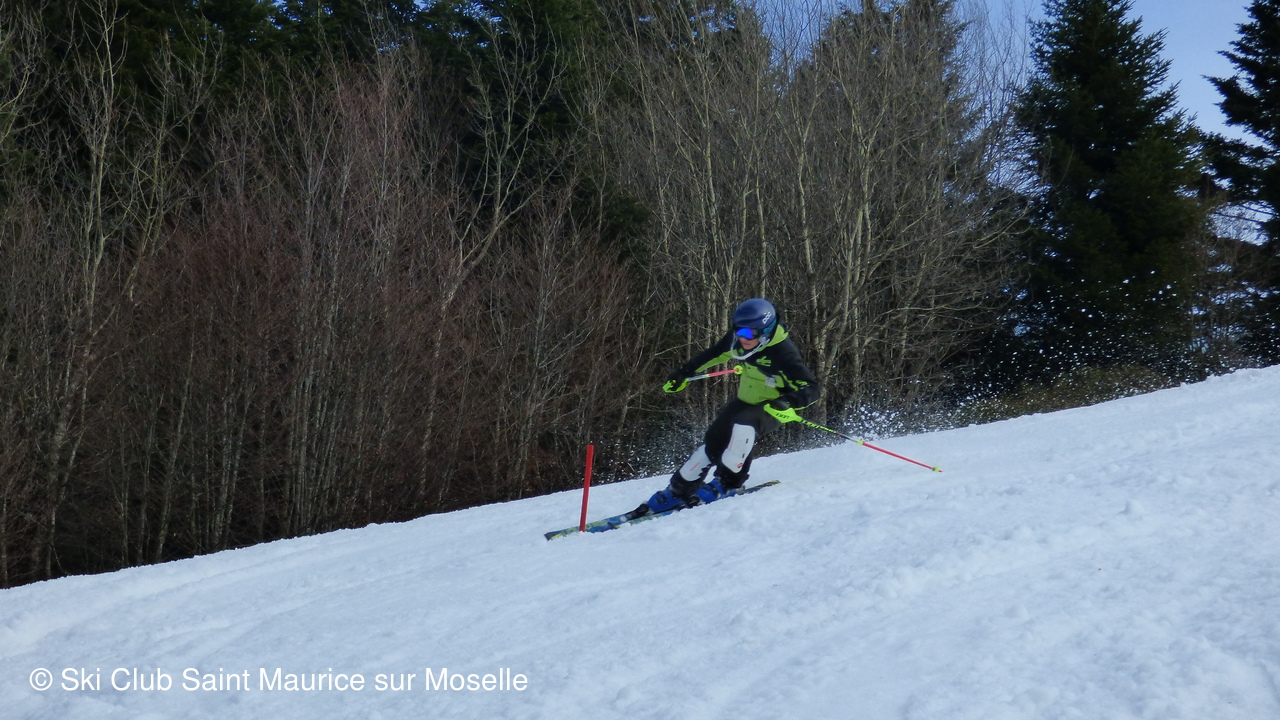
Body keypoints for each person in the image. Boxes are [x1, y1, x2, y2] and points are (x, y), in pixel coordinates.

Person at [642, 298, 820, 514]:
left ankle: (728, 483)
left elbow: (811, 388)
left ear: (766, 331)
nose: (743, 337)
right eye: (739, 330)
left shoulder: (783, 352)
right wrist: (684, 373)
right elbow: (714, 354)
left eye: (750, 333)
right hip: (746, 401)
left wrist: (787, 402)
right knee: (713, 440)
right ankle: (679, 490)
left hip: (772, 407)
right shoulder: (739, 339)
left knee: (744, 425)